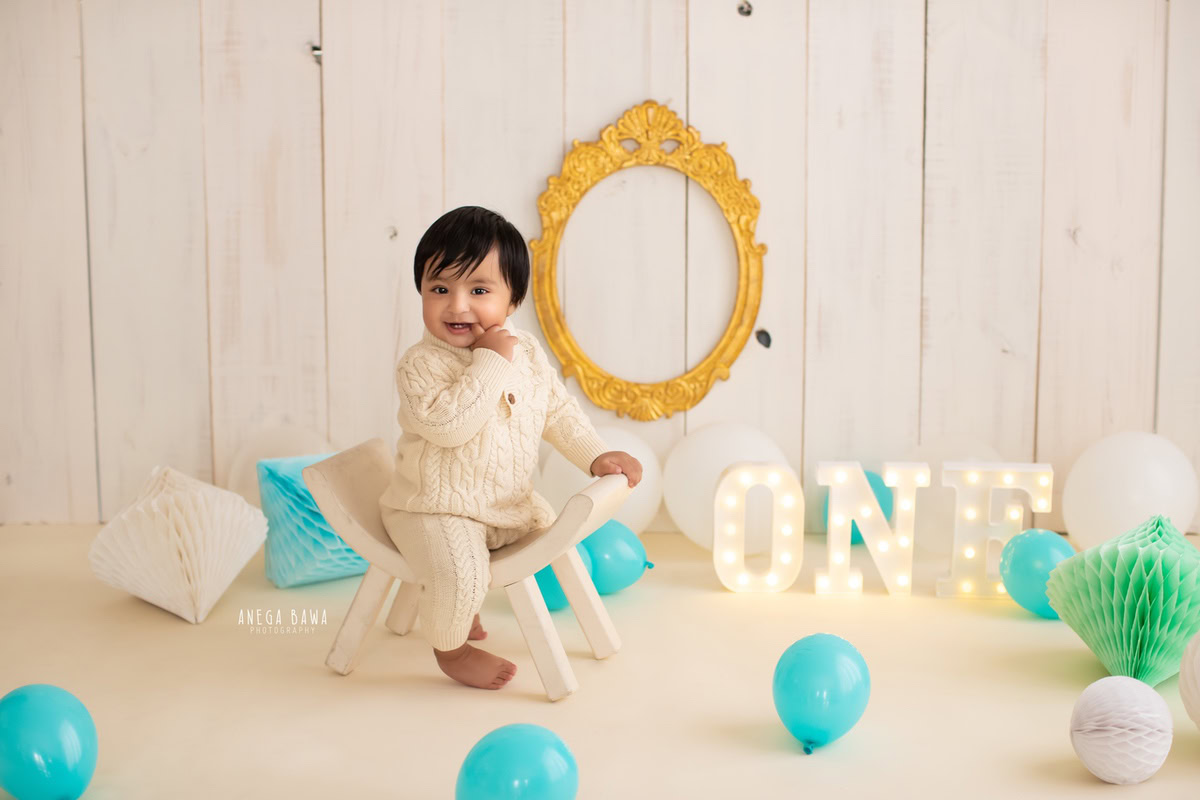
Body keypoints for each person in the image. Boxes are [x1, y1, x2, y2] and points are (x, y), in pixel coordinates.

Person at [379, 206, 643, 690]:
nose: (458, 306)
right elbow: (450, 426)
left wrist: (594, 455)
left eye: (478, 290)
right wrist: (489, 362)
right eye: (440, 289)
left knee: (555, 537)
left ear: (513, 299)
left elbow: (557, 411)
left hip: (506, 505)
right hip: (434, 509)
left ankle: (470, 607)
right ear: (421, 291)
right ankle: (453, 650)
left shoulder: (526, 352)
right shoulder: (419, 365)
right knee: (459, 573)